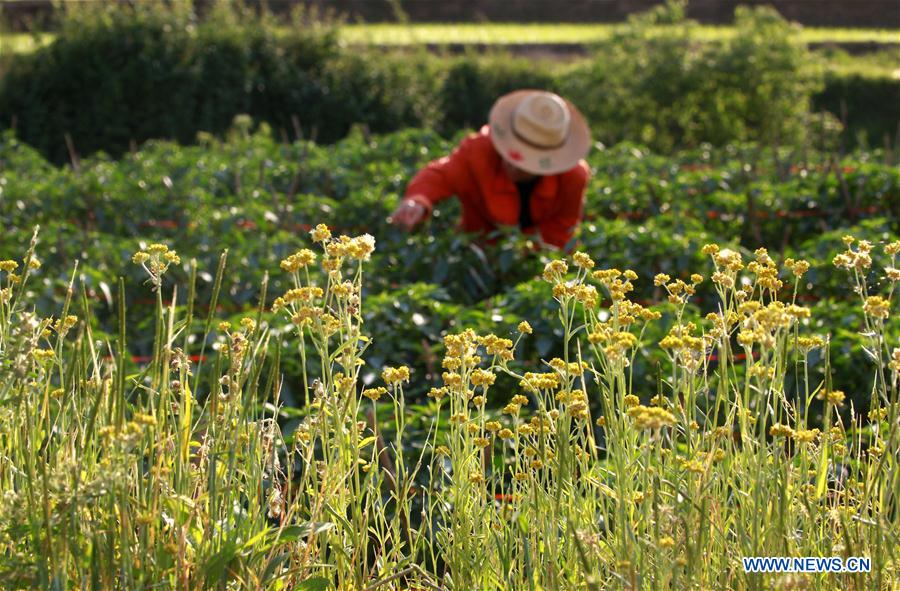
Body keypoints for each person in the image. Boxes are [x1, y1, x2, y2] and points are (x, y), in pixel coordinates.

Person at [390, 89, 592, 250]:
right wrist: (416, 201)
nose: (513, 164)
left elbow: (563, 227)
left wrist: (520, 252)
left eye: (525, 162)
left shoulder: (572, 177)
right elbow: (441, 174)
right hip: (478, 256)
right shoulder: (479, 150)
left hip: (543, 262)